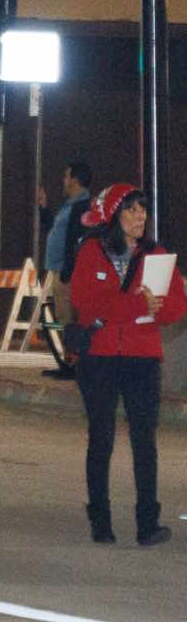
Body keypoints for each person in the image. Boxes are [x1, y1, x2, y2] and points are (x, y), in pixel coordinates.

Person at [68, 184, 184, 547]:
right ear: (114, 215)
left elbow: (175, 306)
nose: (140, 217)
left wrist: (156, 308)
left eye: (142, 210)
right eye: (131, 210)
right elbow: (86, 302)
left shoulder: (157, 254)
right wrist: (137, 306)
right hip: (99, 358)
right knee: (101, 439)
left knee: (144, 442)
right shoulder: (91, 251)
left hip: (142, 358)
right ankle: (100, 521)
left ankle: (148, 523)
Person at [43, 160, 95, 375]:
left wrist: (68, 269)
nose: (63, 181)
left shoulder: (82, 206)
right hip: (61, 268)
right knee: (65, 318)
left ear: (74, 180)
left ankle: (74, 365)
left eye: (66, 176)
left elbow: (75, 240)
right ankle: (71, 362)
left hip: (68, 272)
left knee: (69, 319)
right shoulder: (70, 205)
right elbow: (58, 232)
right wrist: (44, 209)